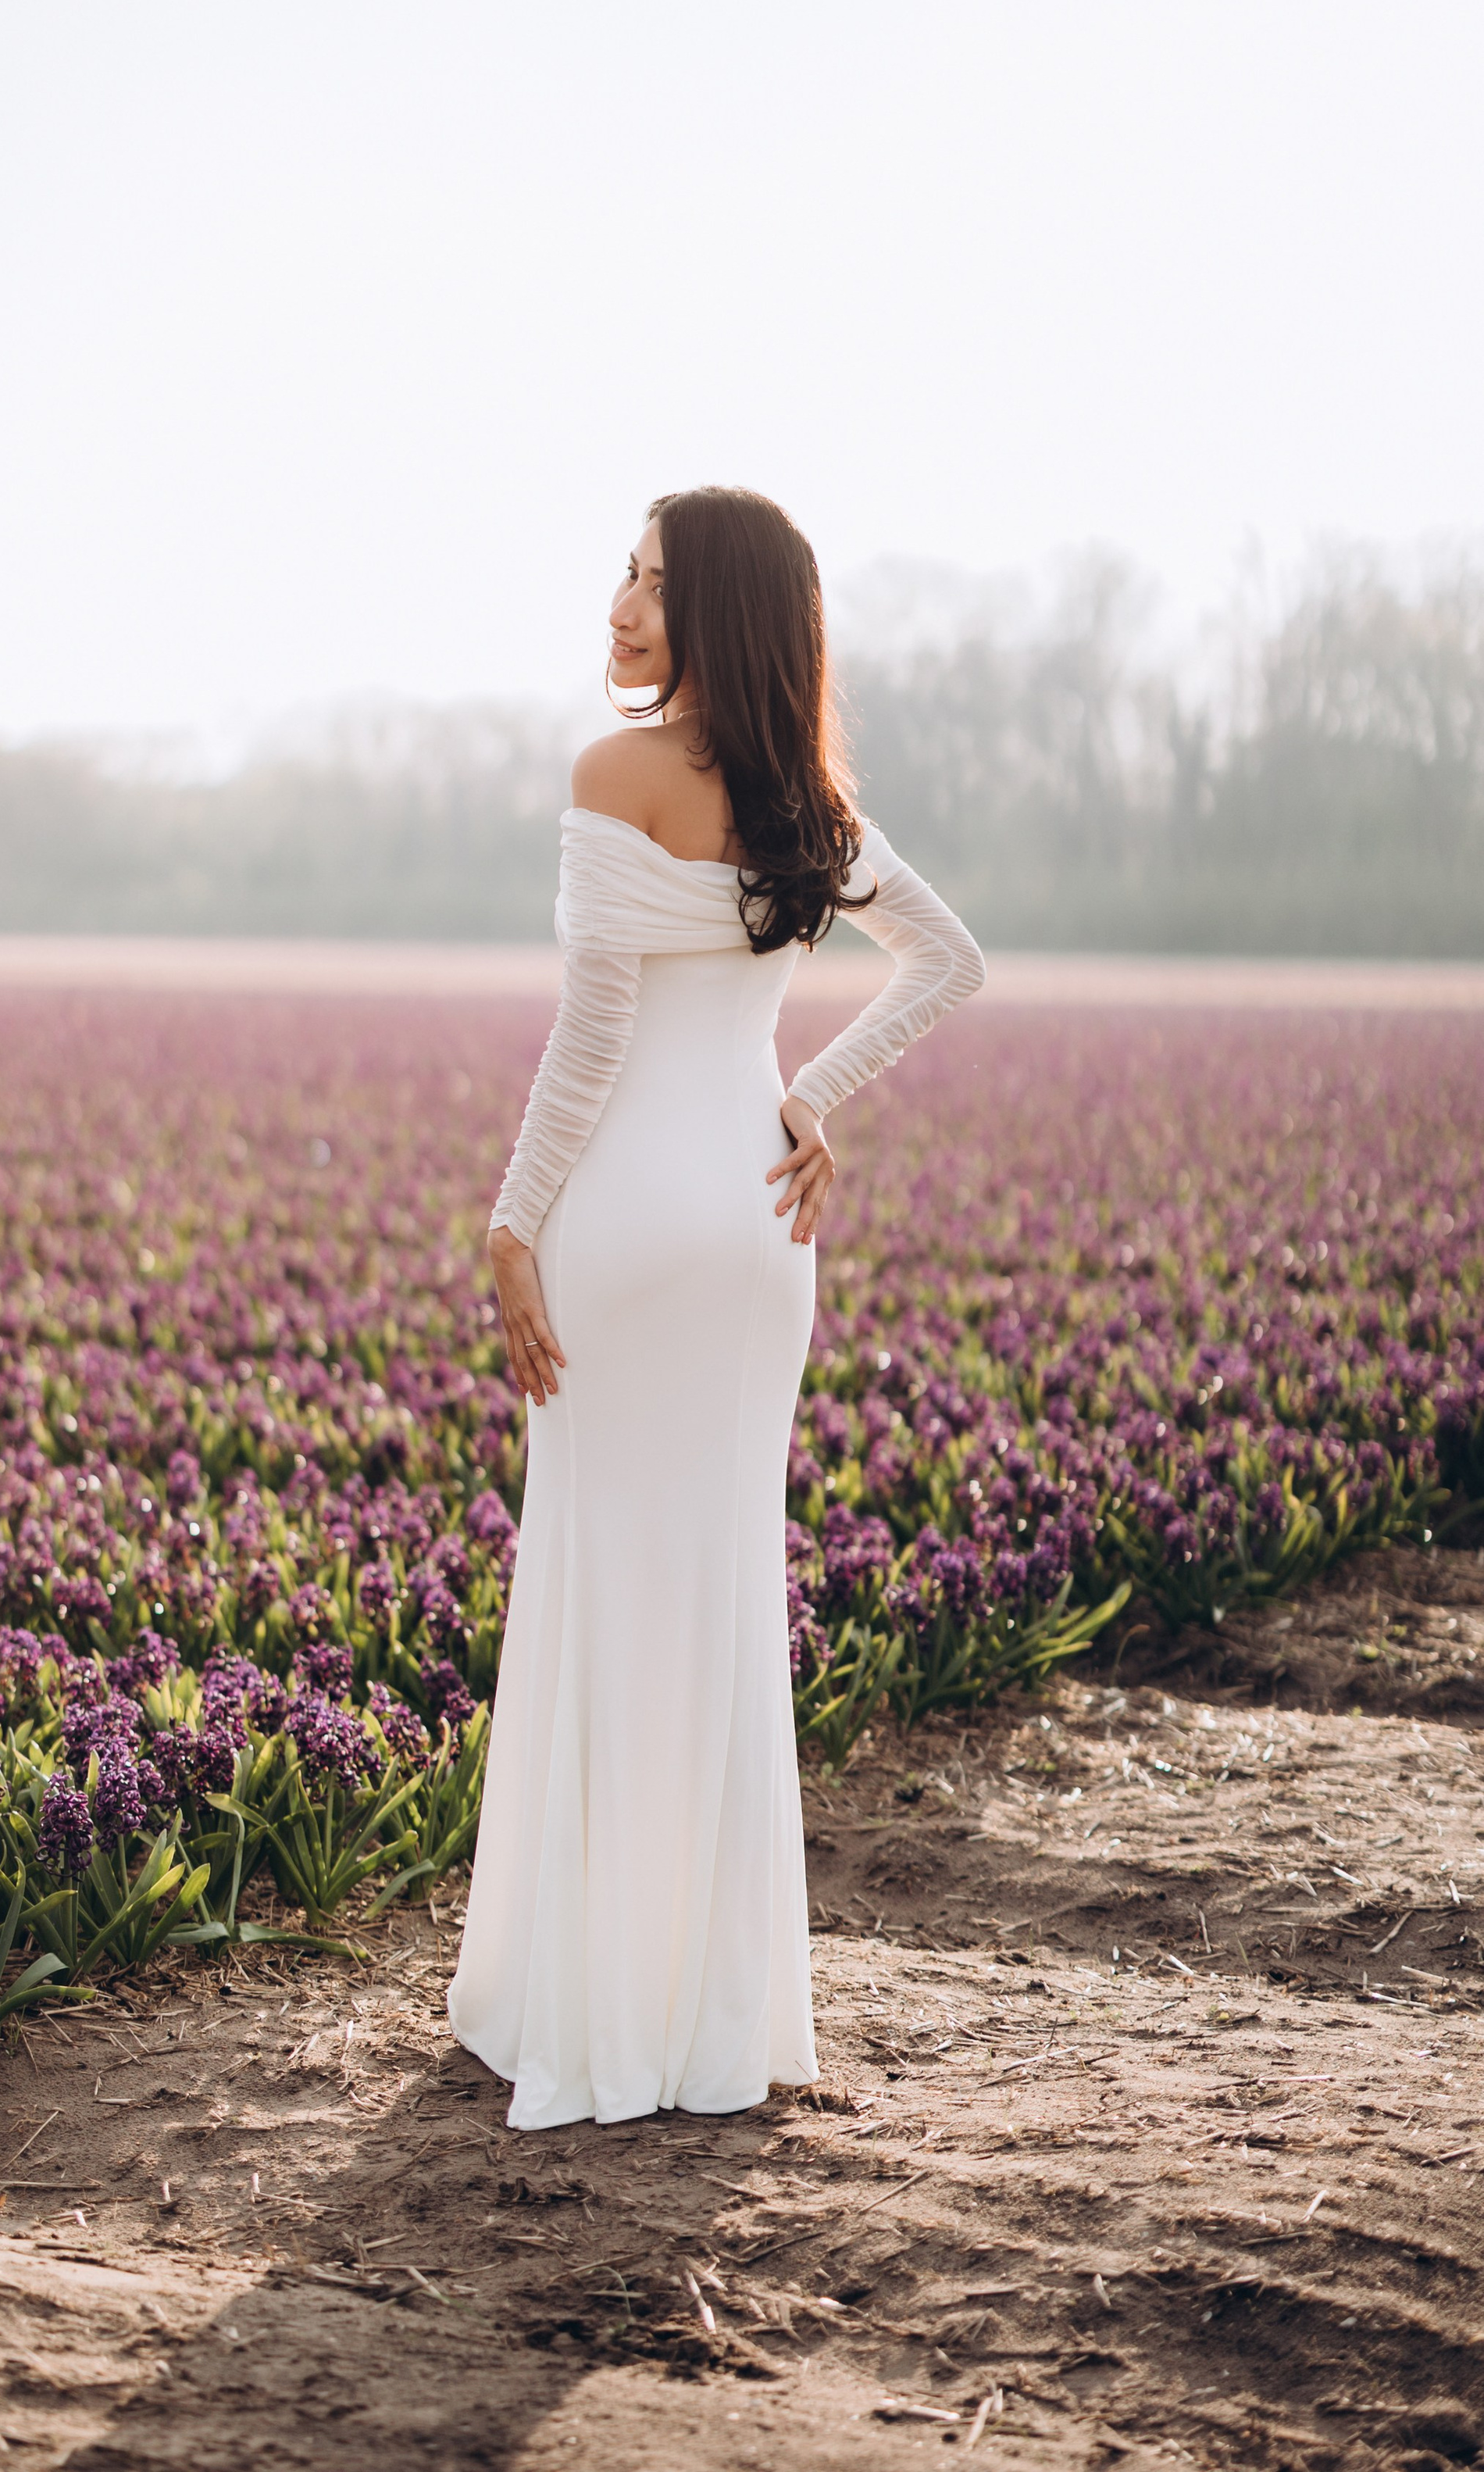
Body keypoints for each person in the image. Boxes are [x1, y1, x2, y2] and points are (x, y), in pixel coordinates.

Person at [446, 485, 983, 2131]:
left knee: (607, 1581)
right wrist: (806, 1095)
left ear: (726, 617)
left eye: (658, 586)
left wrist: (509, 1223)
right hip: (754, 1229)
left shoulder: (615, 776)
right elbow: (948, 960)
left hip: (627, 1223)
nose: (619, 604)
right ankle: (708, 2009)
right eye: (622, 571)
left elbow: (590, 1038)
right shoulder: (804, 802)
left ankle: (590, 2001)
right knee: (716, 1591)